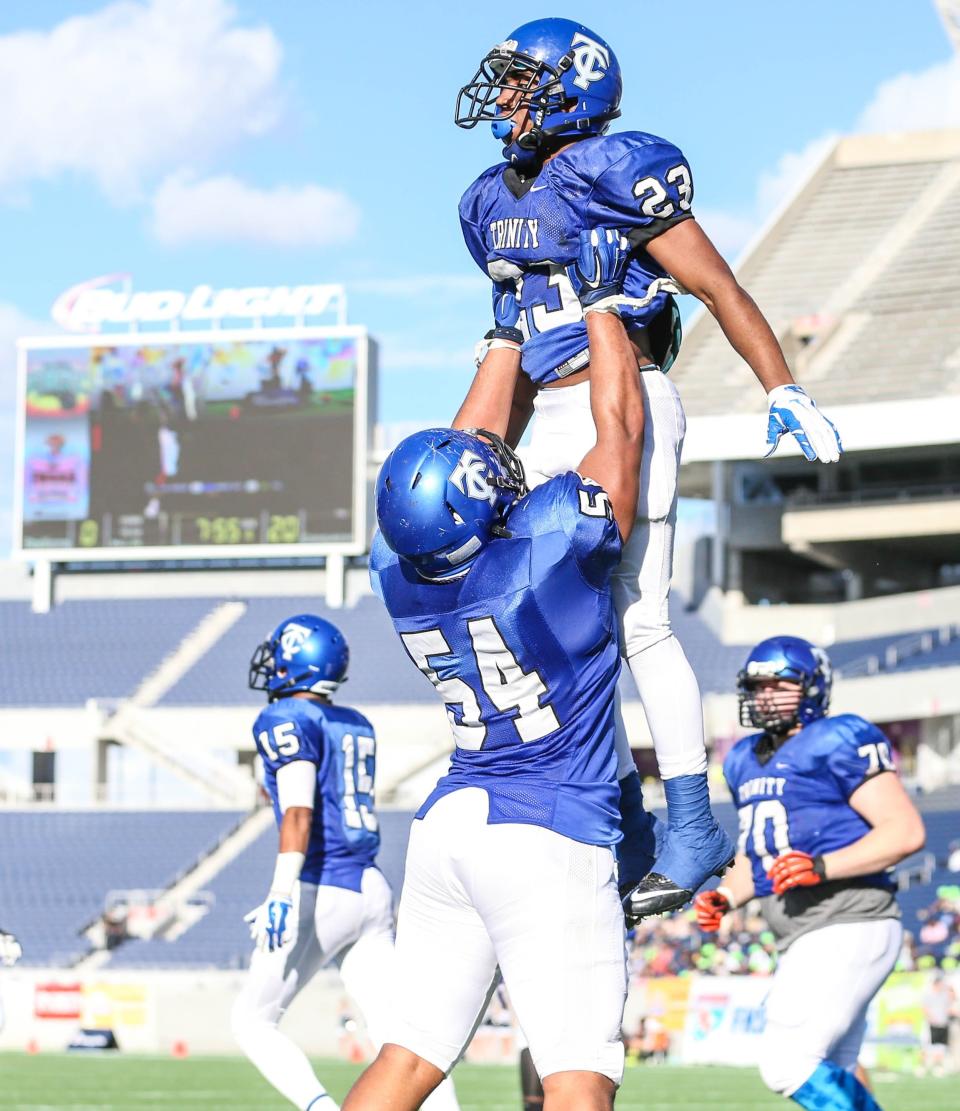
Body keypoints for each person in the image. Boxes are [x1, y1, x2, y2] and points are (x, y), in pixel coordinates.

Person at [453, 17, 842, 916]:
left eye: (520, 81)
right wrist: (487, 451)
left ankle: (693, 821)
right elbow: (513, 344)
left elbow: (717, 285)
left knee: (639, 620)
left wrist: (780, 385)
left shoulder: (614, 169)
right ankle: (615, 803)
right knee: (527, 624)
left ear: (570, 88)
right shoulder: (488, 199)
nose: (504, 98)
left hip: (622, 407)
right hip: (540, 411)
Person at [346, 233, 654, 1111]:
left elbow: (461, 454)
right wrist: (600, 306)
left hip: (452, 824)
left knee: (407, 1060)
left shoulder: (400, 573)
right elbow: (620, 430)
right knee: (576, 1080)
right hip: (546, 829)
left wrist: (504, 335)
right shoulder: (546, 553)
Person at [232, 614, 460, 1111]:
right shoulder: (352, 721)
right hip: (370, 887)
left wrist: (279, 891)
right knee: (405, 1040)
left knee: (252, 1022)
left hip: (322, 886)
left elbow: (298, 809)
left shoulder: (286, 717)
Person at [694, 636, 926, 1110]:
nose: (764, 696)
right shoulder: (743, 759)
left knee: (788, 1063)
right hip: (806, 931)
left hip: (851, 919)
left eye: (779, 684)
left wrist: (822, 867)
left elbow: (904, 831)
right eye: (756, 686)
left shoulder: (838, 738)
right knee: (833, 1071)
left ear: (813, 687)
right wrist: (728, 895)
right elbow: (759, 854)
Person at [922, 972, 957, 1076]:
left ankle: (938, 1066)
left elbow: (952, 998)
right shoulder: (928, 994)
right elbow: (924, 1008)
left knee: (940, 1046)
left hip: (943, 1023)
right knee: (928, 1046)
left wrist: (949, 988)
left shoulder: (944, 994)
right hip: (931, 1024)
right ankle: (922, 1066)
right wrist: (931, 1018)